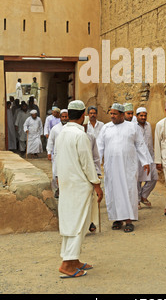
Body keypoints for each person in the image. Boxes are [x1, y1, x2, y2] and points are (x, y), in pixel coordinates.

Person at [55, 100, 103, 279]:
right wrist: (96, 184)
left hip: (67, 185)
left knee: (71, 222)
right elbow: (87, 163)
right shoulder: (80, 135)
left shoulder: (62, 134)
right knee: (78, 224)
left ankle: (73, 259)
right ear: (83, 115)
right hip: (79, 186)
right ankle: (67, 264)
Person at [97, 103, 151, 233]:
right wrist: (96, 166)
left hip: (128, 166)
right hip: (111, 167)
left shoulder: (132, 127)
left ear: (122, 114)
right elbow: (99, 147)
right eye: (111, 113)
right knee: (113, 191)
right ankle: (117, 219)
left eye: (115, 114)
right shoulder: (106, 128)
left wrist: (145, 162)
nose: (112, 116)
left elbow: (140, 144)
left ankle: (128, 220)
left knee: (129, 191)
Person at [135, 107, 158, 209]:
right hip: (138, 157)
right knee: (138, 179)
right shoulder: (133, 126)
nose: (143, 117)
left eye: (145, 115)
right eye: (141, 115)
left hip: (150, 156)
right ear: (137, 116)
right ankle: (137, 200)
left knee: (154, 177)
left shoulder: (149, 126)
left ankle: (144, 196)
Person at [47, 109, 69, 196]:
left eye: (66, 116)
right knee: (56, 173)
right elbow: (50, 141)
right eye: (62, 117)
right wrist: (49, 152)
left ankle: (64, 190)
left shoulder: (71, 128)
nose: (64, 118)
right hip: (57, 155)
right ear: (60, 117)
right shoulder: (55, 129)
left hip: (68, 154)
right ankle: (58, 188)